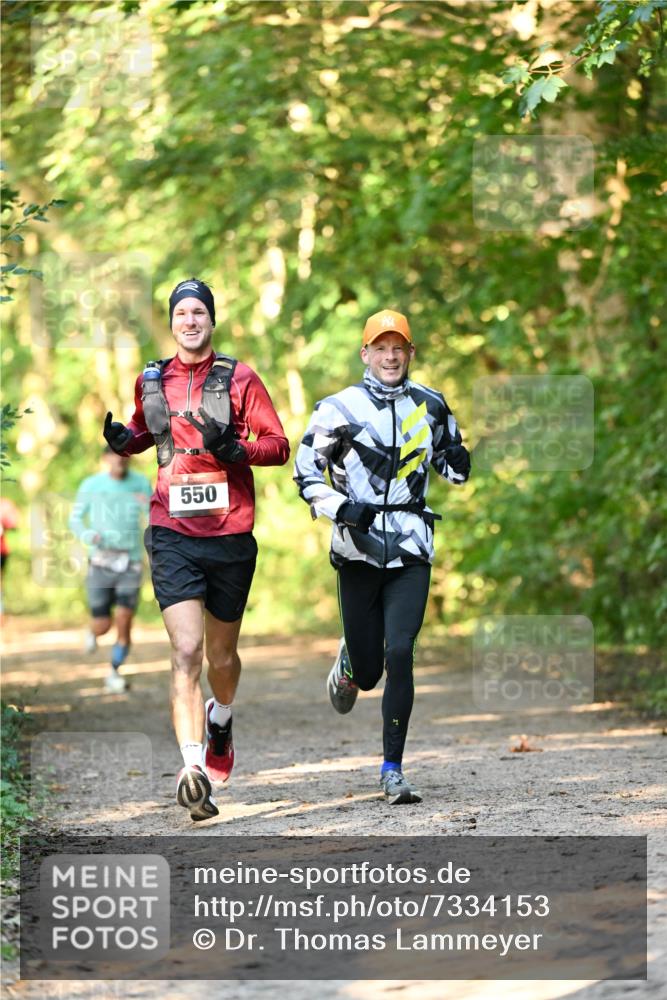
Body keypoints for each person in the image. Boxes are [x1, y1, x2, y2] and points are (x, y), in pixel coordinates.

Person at [103, 277, 290, 821]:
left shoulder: (241, 378)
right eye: (182, 312)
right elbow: (144, 432)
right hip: (172, 531)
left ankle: (222, 718)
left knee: (221, 657)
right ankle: (193, 771)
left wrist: (238, 448)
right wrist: (126, 441)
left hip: (230, 532)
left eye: (199, 313)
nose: (190, 321)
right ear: (171, 321)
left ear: (211, 321)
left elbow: (278, 446)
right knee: (185, 652)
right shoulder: (151, 379)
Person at [294, 309, 470, 804]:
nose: (391, 356)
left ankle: (392, 769)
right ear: (365, 354)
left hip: (413, 544)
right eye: (381, 347)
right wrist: (342, 508)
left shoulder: (431, 404)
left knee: (400, 653)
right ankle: (351, 661)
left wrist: (459, 462)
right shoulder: (338, 409)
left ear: (411, 354)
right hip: (358, 547)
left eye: (400, 348)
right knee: (371, 670)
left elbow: (452, 466)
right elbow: (306, 474)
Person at [69, 449, 152, 692]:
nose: (120, 459)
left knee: (124, 619)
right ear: (105, 458)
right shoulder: (91, 485)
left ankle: (114, 671)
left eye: (125, 455)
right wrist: (87, 534)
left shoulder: (140, 483)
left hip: (130, 563)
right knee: (103, 625)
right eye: (116, 455)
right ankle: (93, 632)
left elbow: (153, 517)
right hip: (100, 563)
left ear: (130, 459)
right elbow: (74, 519)